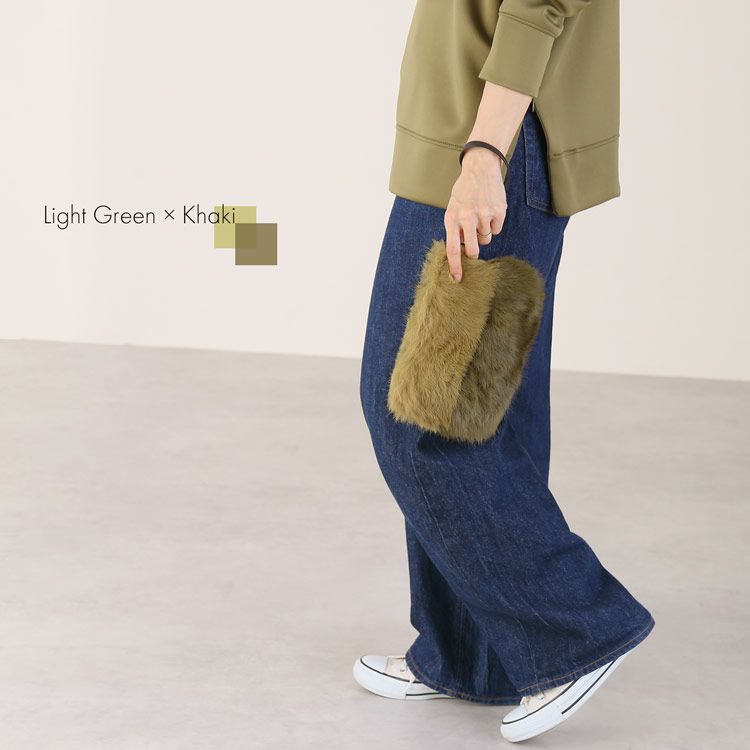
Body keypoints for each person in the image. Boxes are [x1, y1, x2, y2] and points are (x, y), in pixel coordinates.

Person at [353, 0, 655, 743]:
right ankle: (473, 657)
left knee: (422, 415)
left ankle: (577, 632)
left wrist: (485, 153)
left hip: (491, 144)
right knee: (483, 412)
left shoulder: (488, 151)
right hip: (483, 139)